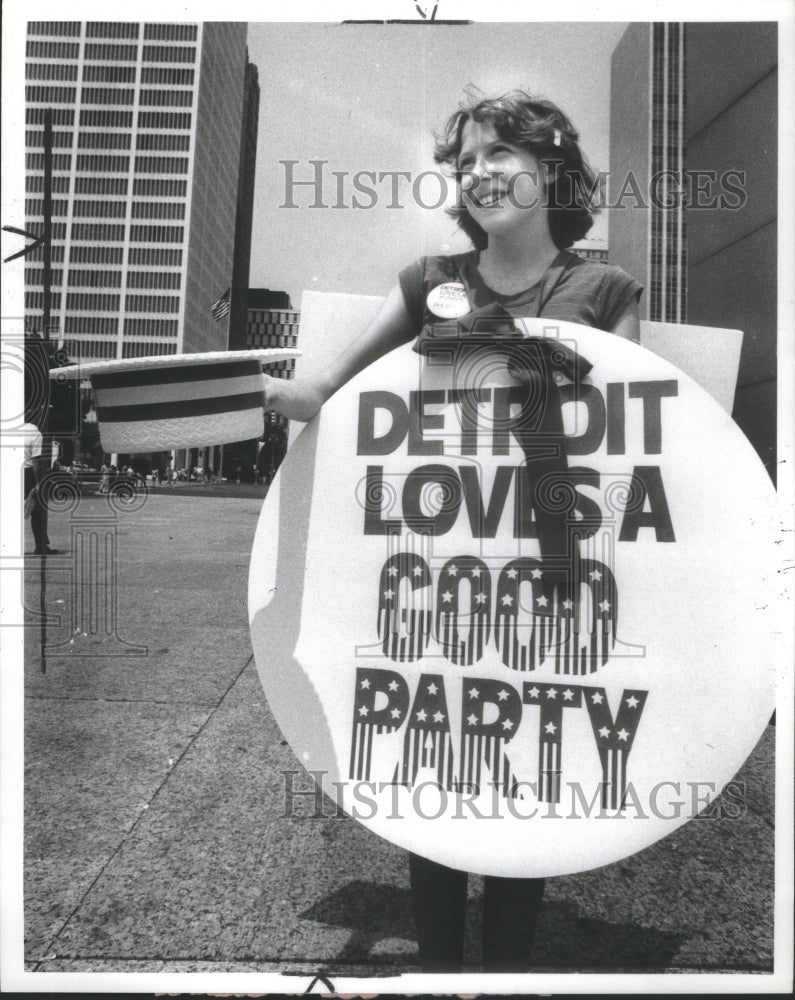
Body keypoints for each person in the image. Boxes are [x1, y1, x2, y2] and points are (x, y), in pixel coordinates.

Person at [263, 90, 643, 973]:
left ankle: (506, 968)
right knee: (433, 763)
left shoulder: (606, 288)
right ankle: (435, 968)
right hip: (438, 575)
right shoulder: (427, 282)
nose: (476, 172)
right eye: (464, 160)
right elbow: (335, 392)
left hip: (548, 568)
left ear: (550, 170)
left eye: (498, 153)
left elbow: (632, 434)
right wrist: (265, 393)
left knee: (516, 774)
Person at [22, 421, 58, 556]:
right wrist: (38, 483)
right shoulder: (34, 433)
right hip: (29, 473)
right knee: (39, 512)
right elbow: (36, 461)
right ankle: (41, 546)